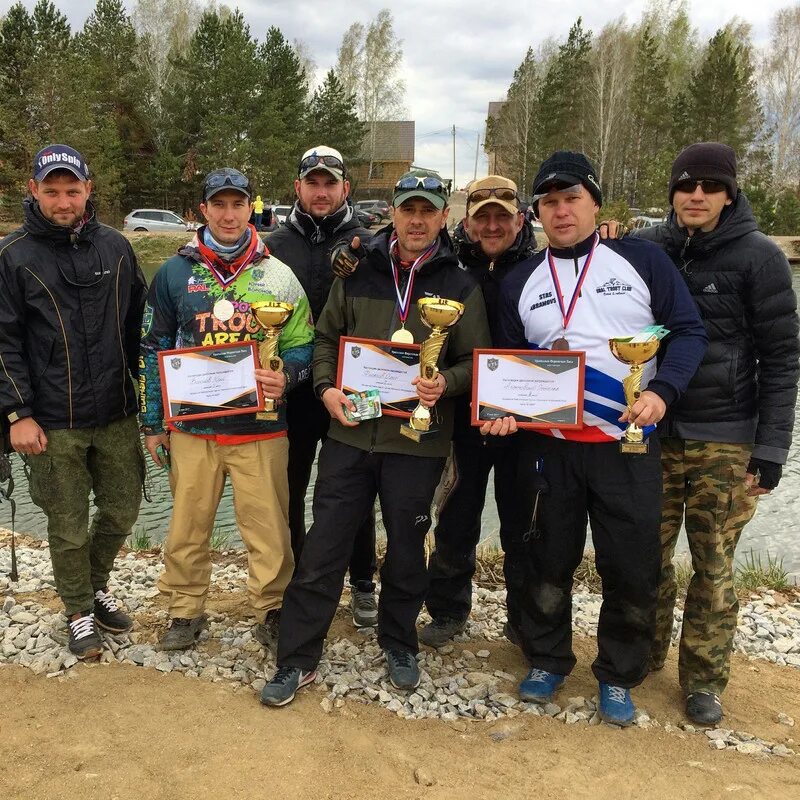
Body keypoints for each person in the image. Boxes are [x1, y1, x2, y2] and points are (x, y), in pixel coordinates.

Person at [260, 172, 491, 706]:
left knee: (409, 547)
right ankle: (297, 657)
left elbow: (475, 364)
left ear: (442, 218)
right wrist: (323, 389)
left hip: (418, 440)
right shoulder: (359, 266)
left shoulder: (460, 283)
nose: (416, 220)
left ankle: (398, 641)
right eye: (408, 209)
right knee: (324, 546)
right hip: (350, 431)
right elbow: (324, 339)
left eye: (427, 211)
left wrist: (445, 383)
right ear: (394, 210)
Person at [493, 151, 707, 726]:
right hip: (549, 448)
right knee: (546, 558)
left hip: (627, 443)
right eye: (550, 202)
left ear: (595, 202)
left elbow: (688, 333)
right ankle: (548, 658)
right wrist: (506, 410)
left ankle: (618, 673)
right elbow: (509, 365)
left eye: (572, 199)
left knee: (631, 564)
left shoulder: (644, 261)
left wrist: (663, 393)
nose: (561, 212)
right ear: (536, 212)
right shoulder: (520, 279)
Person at [634, 142, 800, 725]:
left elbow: (782, 358)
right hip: (649, 431)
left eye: (710, 185)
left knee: (713, 563)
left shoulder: (760, 259)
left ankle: (703, 680)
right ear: (673, 192)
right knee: (644, 556)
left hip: (725, 438)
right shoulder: (648, 249)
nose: (696, 195)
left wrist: (773, 446)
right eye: (686, 185)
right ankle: (642, 655)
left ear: (730, 193)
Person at [139, 167, 314, 650]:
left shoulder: (278, 275)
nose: (229, 214)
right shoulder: (175, 273)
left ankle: (272, 608)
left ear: (251, 207)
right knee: (187, 526)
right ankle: (183, 609)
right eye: (220, 204)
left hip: (260, 428)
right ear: (204, 210)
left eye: (238, 204)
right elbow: (151, 347)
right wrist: (153, 423)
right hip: (194, 429)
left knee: (269, 530)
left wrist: (288, 375)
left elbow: (303, 345)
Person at [0, 144, 146, 659]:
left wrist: (150, 399)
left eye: (72, 190)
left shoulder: (117, 248)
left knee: (123, 509)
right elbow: (4, 343)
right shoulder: (13, 256)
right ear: (33, 191)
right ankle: (79, 610)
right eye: (52, 191)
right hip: (51, 420)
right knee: (65, 523)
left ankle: (94, 582)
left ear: (89, 190)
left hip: (115, 411)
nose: (63, 201)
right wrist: (17, 414)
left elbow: (138, 328)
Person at [419, 175, 537, 648]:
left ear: (520, 221)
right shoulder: (448, 271)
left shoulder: (540, 269)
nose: (492, 226)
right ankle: (448, 610)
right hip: (460, 417)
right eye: (482, 217)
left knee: (524, 525)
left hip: (522, 422)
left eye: (501, 218)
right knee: (455, 518)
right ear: (466, 223)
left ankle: (525, 620)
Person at [267, 145, 379, 628]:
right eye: (312, 183)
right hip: (288, 389)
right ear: (298, 188)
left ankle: (363, 583)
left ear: (345, 189)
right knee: (286, 490)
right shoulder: (271, 245)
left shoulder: (369, 243)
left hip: (346, 388)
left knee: (352, 492)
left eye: (330, 183)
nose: (321, 191)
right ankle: (294, 577)